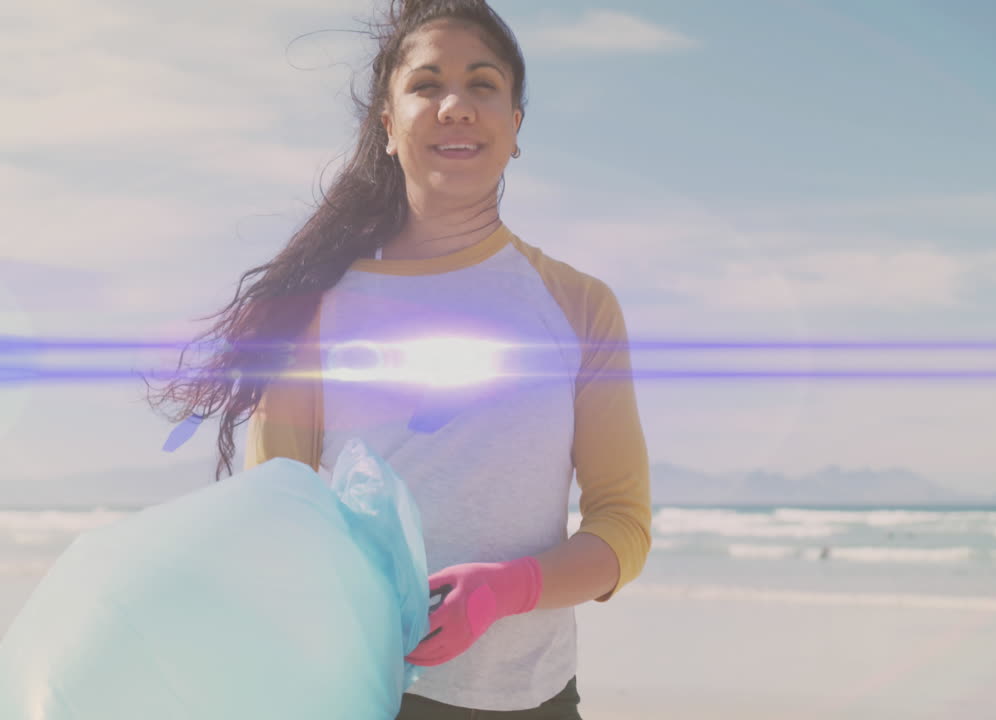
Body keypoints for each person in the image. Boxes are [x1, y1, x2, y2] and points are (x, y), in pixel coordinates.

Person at [146, 1, 651, 716]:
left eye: (483, 85)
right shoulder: (315, 314)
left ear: (516, 125)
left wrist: (507, 590)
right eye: (425, 85)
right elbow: (279, 529)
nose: (456, 106)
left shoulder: (578, 305)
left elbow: (622, 527)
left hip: (534, 699)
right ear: (387, 125)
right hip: (364, 692)